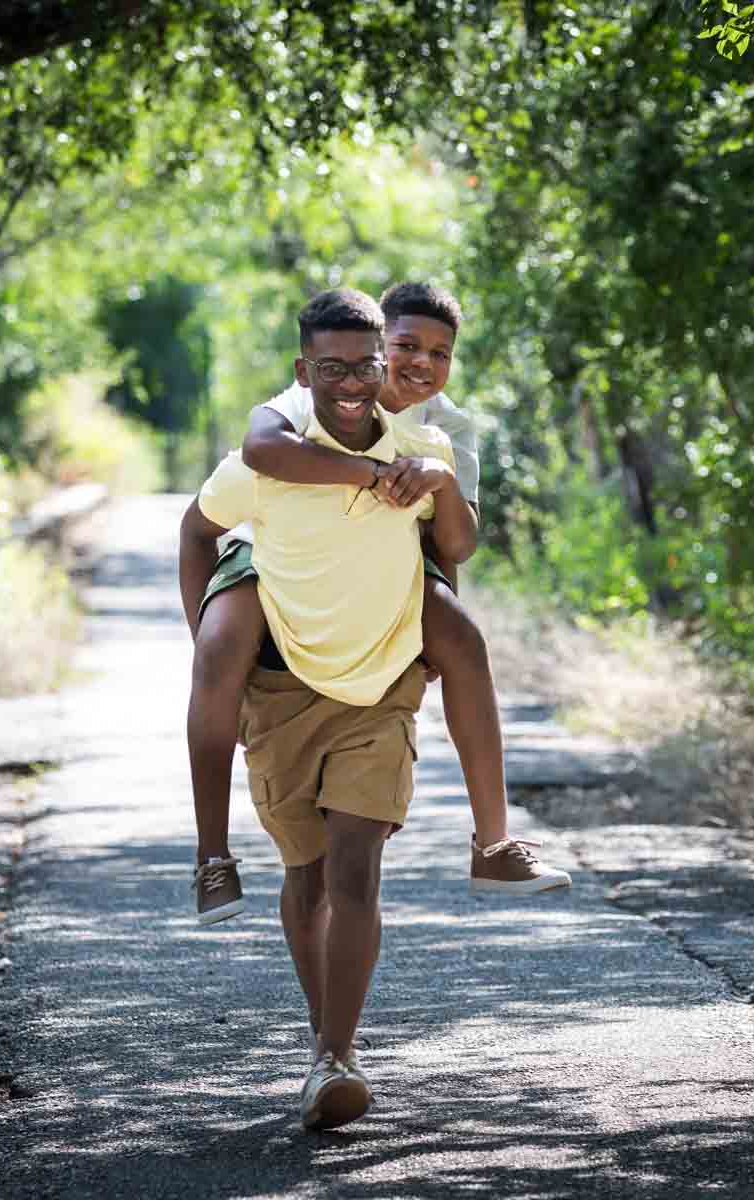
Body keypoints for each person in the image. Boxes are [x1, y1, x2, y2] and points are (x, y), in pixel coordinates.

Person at [186, 281, 568, 925]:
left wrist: (436, 621)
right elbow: (259, 453)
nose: (420, 364)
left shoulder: (444, 429)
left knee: (465, 639)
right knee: (222, 643)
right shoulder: (319, 395)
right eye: (404, 347)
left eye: (440, 354)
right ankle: (211, 856)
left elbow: (452, 541)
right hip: (279, 545)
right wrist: (372, 475)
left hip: (389, 557)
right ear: (375, 347)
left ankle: (494, 843)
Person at [178, 287, 467, 1130]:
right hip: (283, 691)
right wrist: (201, 629)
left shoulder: (421, 451)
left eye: (363, 368)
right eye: (330, 369)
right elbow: (199, 528)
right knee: (305, 878)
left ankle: (338, 1056)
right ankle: (322, 1036)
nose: (349, 382)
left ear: (384, 372)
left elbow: (452, 550)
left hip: (377, 691)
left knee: (356, 867)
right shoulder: (272, 457)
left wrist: (435, 634)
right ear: (304, 373)